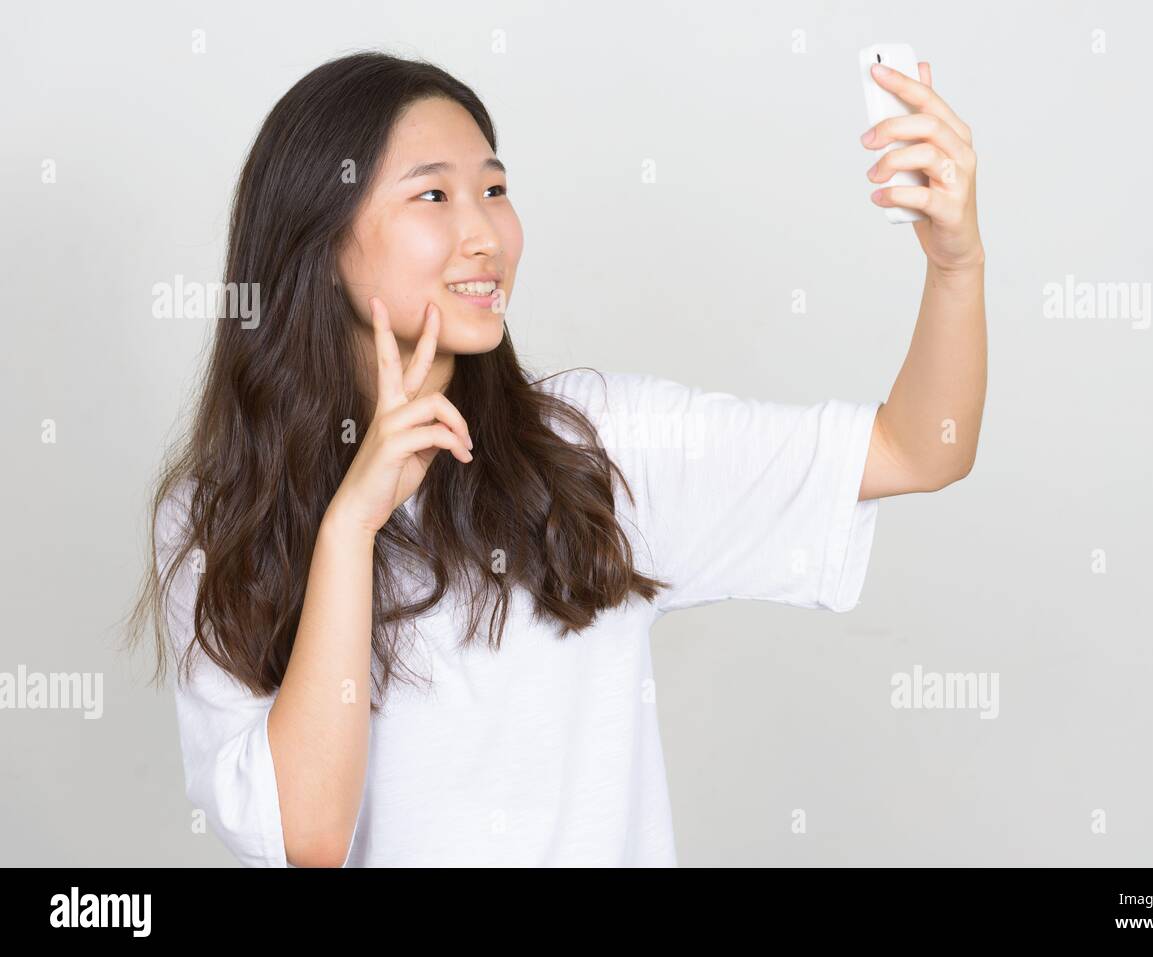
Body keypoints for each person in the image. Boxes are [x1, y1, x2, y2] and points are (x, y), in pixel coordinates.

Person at [126, 50, 985, 867]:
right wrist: (351, 526)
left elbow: (917, 448)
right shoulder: (218, 515)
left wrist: (956, 266)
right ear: (320, 239)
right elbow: (307, 834)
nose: (485, 235)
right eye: (434, 196)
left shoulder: (594, 444)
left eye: (494, 189)